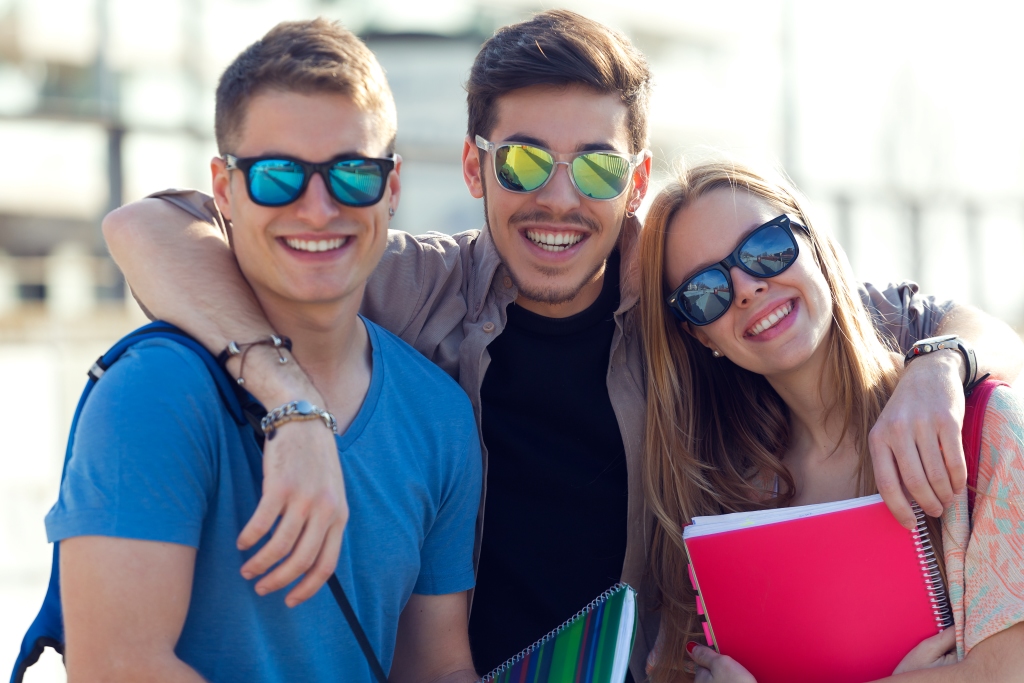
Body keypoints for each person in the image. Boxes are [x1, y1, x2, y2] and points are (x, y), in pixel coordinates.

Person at [100, 11, 1024, 678]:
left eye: (596, 167)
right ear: (474, 166)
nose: (558, 197)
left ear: (636, 181)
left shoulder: (686, 283)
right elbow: (148, 228)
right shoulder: (404, 277)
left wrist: (941, 367)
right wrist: (286, 397)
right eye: (526, 160)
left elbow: (940, 318)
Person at [48, 19, 481, 682]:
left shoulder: (439, 415)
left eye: (352, 174)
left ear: (392, 190)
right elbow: (116, 668)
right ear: (223, 190)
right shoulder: (153, 392)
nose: (317, 209)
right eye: (278, 177)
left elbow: (435, 667)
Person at [637, 160, 1024, 682]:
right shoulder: (726, 514)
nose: (747, 287)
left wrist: (940, 362)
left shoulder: (981, 426)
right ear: (702, 337)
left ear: (813, 242)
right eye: (706, 292)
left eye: (766, 249)